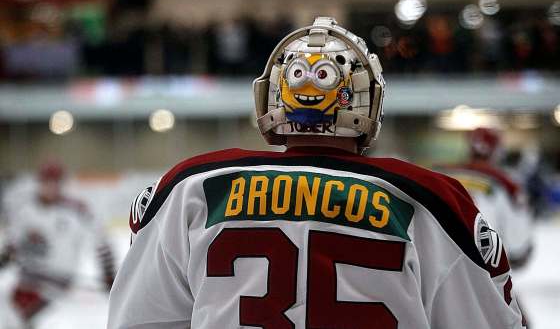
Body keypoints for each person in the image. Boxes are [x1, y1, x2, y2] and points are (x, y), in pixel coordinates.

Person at [108, 17, 527, 328]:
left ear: (271, 98)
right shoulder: (429, 199)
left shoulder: (190, 187)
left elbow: (142, 320)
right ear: (369, 103)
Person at [0, 161, 115, 329]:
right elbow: (11, 246)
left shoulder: (78, 211)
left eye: (56, 181)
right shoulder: (24, 210)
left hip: (57, 288)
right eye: (47, 181)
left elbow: (101, 244)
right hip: (26, 284)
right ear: (39, 182)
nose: (51, 186)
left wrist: (109, 275)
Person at [437, 127, 534, 268]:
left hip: (440, 262)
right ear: (495, 151)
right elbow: (517, 238)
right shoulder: (507, 184)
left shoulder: (444, 175)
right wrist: (518, 253)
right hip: (487, 264)